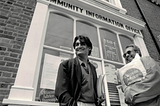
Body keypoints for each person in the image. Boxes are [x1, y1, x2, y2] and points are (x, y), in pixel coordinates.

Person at [55, 35, 102, 106]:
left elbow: (93, 91)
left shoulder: (93, 68)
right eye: (76, 45)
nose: (78, 46)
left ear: (89, 48)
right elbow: (60, 92)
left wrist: (98, 99)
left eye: (82, 44)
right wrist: (74, 104)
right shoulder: (66, 65)